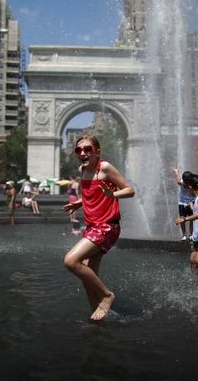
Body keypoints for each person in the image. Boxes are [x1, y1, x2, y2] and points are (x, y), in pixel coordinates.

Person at [62, 134, 135, 321]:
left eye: (88, 149)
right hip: (92, 226)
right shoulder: (83, 169)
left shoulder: (105, 167)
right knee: (88, 278)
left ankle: (107, 295)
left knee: (71, 260)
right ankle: (101, 317)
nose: (83, 153)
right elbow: (91, 193)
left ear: (97, 152)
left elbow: (130, 190)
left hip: (107, 226)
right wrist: (79, 203)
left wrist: (113, 194)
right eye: (79, 150)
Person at [172, 168, 194, 241]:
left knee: (191, 219)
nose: (186, 184)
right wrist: (176, 172)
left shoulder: (192, 184)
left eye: (187, 182)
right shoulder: (180, 182)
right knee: (182, 218)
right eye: (185, 181)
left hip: (191, 202)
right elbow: (178, 179)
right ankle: (184, 235)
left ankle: (191, 234)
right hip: (181, 202)